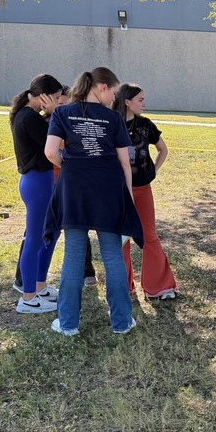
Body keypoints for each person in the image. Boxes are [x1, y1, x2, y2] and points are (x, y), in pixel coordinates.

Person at [44, 67, 143, 336]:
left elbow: (51, 152)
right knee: (112, 255)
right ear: (101, 87)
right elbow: (125, 162)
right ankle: (122, 322)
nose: (114, 99)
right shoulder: (113, 118)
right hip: (108, 189)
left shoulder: (62, 113)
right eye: (113, 92)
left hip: (73, 190)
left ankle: (67, 324)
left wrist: (72, 165)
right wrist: (129, 197)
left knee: (74, 255)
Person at [13, 85, 97, 293]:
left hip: (63, 184)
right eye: (58, 103)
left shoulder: (64, 122)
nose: (62, 108)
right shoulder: (40, 122)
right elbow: (58, 149)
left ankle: (41, 284)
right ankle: (26, 285)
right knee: (36, 235)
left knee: (62, 232)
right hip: (45, 184)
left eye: (65, 105)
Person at [111, 83, 179, 300]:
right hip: (117, 191)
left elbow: (163, 149)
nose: (144, 103)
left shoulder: (145, 125)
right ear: (127, 101)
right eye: (140, 100)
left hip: (142, 189)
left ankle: (158, 287)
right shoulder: (111, 123)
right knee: (120, 239)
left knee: (149, 236)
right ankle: (123, 287)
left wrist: (153, 171)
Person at [10, 74, 64, 313]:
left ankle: (39, 287)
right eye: (54, 98)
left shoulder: (29, 115)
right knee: (34, 240)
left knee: (48, 235)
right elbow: (57, 143)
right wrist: (56, 113)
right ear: (43, 96)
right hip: (36, 182)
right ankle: (28, 297)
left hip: (40, 181)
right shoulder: (28, 118)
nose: (56, 102)